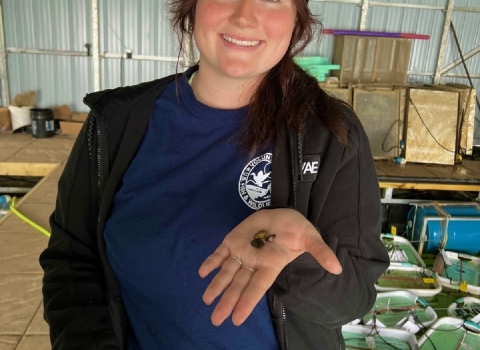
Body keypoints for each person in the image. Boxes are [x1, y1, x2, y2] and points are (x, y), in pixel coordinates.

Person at [40, 0, 390, 348]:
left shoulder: (331, 134)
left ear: (297, 20)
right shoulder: (114, 124)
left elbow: (352, 300)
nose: (244, 17)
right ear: (190, 7)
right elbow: (72, 263)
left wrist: (297, 260)